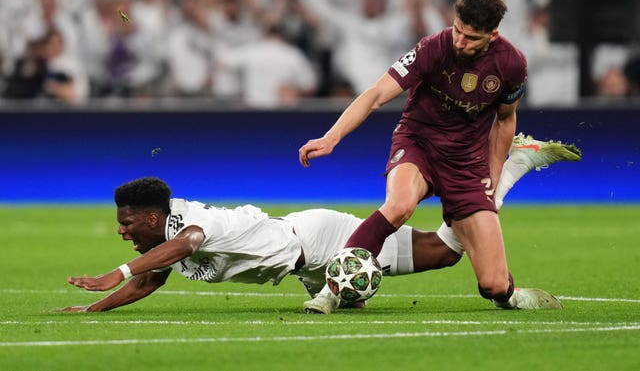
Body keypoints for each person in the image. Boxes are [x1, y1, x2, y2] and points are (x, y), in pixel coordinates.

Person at [58, 134, 581, 313]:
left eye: (127, 223)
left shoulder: (186, 223)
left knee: (447, 253)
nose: (123, 230)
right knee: (446, 248)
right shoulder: (164, 235)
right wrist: (94, 305)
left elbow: (185, 245)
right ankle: (511, 166)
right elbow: (153, 277)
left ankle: (512, 163)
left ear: (152, 216)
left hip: (318, 238)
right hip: (304, 264)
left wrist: (117, 270)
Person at [298, 0, 560, 314]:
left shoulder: (511, 64)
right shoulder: (432, 47)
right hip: (418, 143)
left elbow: (505, 120)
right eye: (458, 31)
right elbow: (377, 93)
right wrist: (331, 137)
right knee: (398, 205)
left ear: (492, 35)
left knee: (493, 285)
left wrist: (492, 176)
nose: (461, 42)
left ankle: (512, 295)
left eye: (471, 38)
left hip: (466, 161)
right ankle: (331, 290)